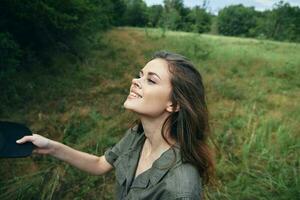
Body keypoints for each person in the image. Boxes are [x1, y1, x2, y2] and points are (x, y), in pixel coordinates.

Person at [17, 51, 215, 200]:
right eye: (140, 75)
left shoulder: (181, 186)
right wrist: (51, 147)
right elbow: (100, 164)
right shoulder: (138, 135)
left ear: (174, 104)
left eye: (151, 80)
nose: (135, 81)